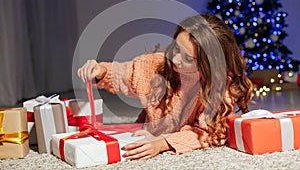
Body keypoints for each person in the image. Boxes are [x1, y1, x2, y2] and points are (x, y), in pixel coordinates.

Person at [77, 13, 253, 160]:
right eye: (176, 49)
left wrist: (162, 143)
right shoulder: (156, 65)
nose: (175, 60)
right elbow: (126, 74)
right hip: (145, 132)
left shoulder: (219, 88)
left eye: (188, 59)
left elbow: (210, 133)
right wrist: (100, 70)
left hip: (163, 141)